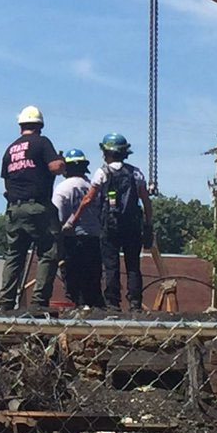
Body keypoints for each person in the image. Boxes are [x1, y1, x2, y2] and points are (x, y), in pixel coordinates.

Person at [65, 132, 153, 312]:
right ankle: (135, 303)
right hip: (132, 224)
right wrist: (148, 223)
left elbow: (88, 199)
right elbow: (145, 200)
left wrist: (73, 220)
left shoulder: (102, 172)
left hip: (110, 224)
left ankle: (113, 303)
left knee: (111, 265)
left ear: (107, 152)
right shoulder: (135, 172)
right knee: (133, 265)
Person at [0, 106, 65, 311]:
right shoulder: (42, 143)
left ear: (21, 127)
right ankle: (38, 302)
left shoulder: (10, 150)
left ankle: (6, 303)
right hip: (37, 207)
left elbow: (6, 179)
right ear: (40, 126)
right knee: (48, 252)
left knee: (15, 255)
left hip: (13, 209)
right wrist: (61, 163)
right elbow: (55, 167)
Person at [52, 148, 105, 308]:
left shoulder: (63, 188)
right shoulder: (93, 187)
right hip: (95, 240)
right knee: (92, 282)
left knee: (74, 283)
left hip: (72, 240)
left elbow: (58, 218)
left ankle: (78, 311)